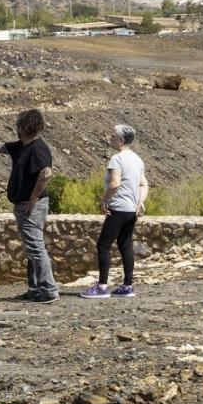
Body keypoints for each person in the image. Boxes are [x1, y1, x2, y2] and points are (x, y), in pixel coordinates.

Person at [0, 108, 59, 304]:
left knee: (36, 247)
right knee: (32, 247)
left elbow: (46, 174)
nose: (15, 128)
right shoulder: (21, 146)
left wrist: (32, 199)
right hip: (28, 204)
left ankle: (49, 289)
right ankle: (35, 289)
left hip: (32, 206)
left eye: (17, 125)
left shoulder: (38, 149)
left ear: (24, 127)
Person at [82, 124, 148, 299]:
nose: (109, 138)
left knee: (103, 245)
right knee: (125, 245)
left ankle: (102, 287)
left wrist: (104, 199)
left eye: (112, 136)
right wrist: (140, 201)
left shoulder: (117, 159)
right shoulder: (137, 159)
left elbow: (115, 183)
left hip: (118, 208)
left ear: (120, 140)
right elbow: (143, 184)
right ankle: (127, 286)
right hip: (132, 210)